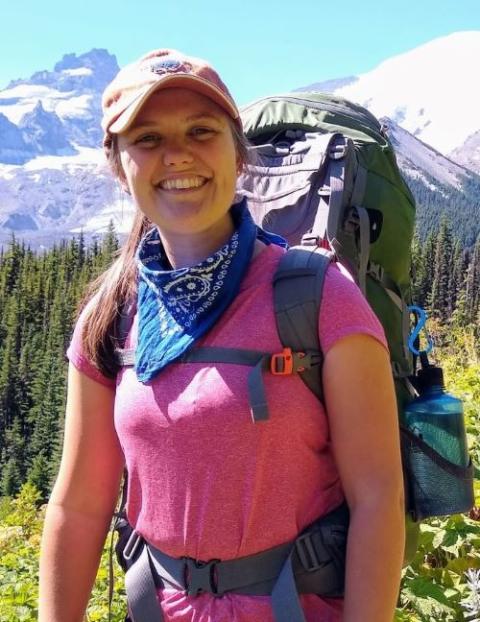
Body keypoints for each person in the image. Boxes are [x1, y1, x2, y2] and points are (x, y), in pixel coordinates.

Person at [38, 49, 405, 622]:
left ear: (238, 152)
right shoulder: (111, 314)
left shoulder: (318, 298)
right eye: (148, 138)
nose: (177, 154)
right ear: (119, 164)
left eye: (201, 131)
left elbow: (378, 498)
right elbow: (80, 506)